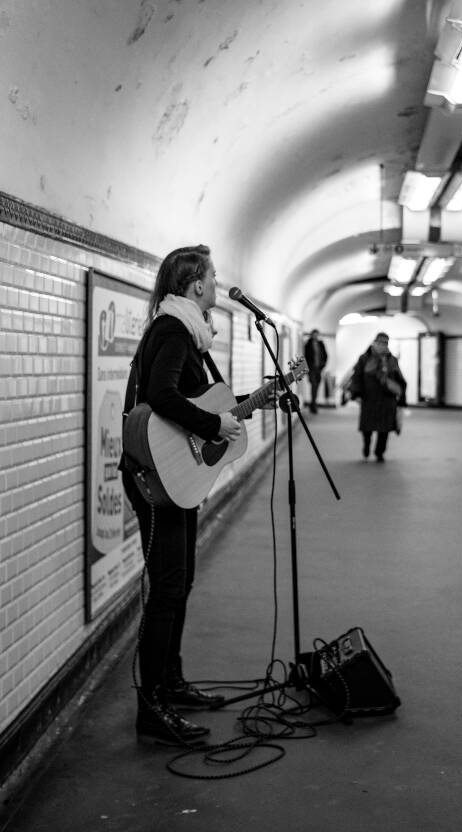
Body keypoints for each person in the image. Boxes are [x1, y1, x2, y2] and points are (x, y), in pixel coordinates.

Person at [120, 244, 270, 746]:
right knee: (165, 589)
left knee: (179, 583)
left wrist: (238, 407)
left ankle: (172, 682)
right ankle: (152, 708)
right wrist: (212, 423)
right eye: (212, 276)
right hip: (155, 477)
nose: (216, 282)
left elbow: (192, 400)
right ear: (195, 285)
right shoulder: (173, 329)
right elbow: (159, 397)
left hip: (175, 474)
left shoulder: (188, 332)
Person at [349, 332, 407, 462]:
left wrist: (402, 399)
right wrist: (356, 394)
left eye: (385, 343)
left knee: (384, 428)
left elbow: (400, 379)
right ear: (374, 343)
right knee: (367, 427)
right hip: (369, 398)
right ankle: (367, 446)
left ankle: (379, 452)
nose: (382, 346)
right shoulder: (364, 358)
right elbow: (357, 377)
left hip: (387, 399)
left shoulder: (392, 360)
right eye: (380, 343)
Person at [303, 328, 328, 413]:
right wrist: (307, 369)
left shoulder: (321, 344)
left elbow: (325, 355)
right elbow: (305, 357)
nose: (316, 336)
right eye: (314, 334)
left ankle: (313, 403)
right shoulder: (308, 344)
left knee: (317, 386)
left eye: (317, 334)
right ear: (312, 335)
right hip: (311, 369)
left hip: (319, 369)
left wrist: (323, 365)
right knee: (314, 385)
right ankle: (313, 405)